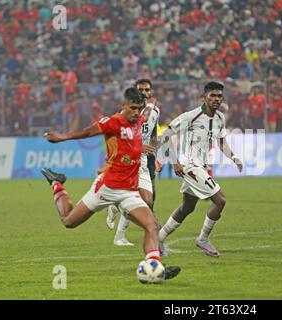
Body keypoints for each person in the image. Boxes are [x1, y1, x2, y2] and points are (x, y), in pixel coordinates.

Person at [41, 87, 180, 279]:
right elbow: (87, 132)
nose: (136, 112)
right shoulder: (112, 123)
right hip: (106, 188)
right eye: (132, 108)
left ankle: (154, 267)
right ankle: (57, 183)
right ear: (122, 105)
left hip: (129, 191)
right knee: (69, 221)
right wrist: (63, 137)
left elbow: (146, 119)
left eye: (139, 108)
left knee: (151, 224)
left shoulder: (140, 120)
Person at [157, 81, 243, 257]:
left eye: (219, 96)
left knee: (187, 208)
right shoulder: (191, 116)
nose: (216, 99)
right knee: (220, 200)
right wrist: (174, 162)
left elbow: (221, 142)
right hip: (190, 165)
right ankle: (203, 238)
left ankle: (157, 239)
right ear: (204, 98)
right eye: (212, 96)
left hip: (202, 166)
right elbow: (165, 135)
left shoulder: (220, 118)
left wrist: (234, 157)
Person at [106, 79, 161, 246]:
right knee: (139, 199)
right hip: (129, 158)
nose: (144, 93)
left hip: (145, 157)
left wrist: (155, 155)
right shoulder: (128, 112)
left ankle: (115, 209)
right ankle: (120, 235)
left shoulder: (155, 111)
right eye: (141, 90)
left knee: (149, 201)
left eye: (147, 90)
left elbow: (153, 133)